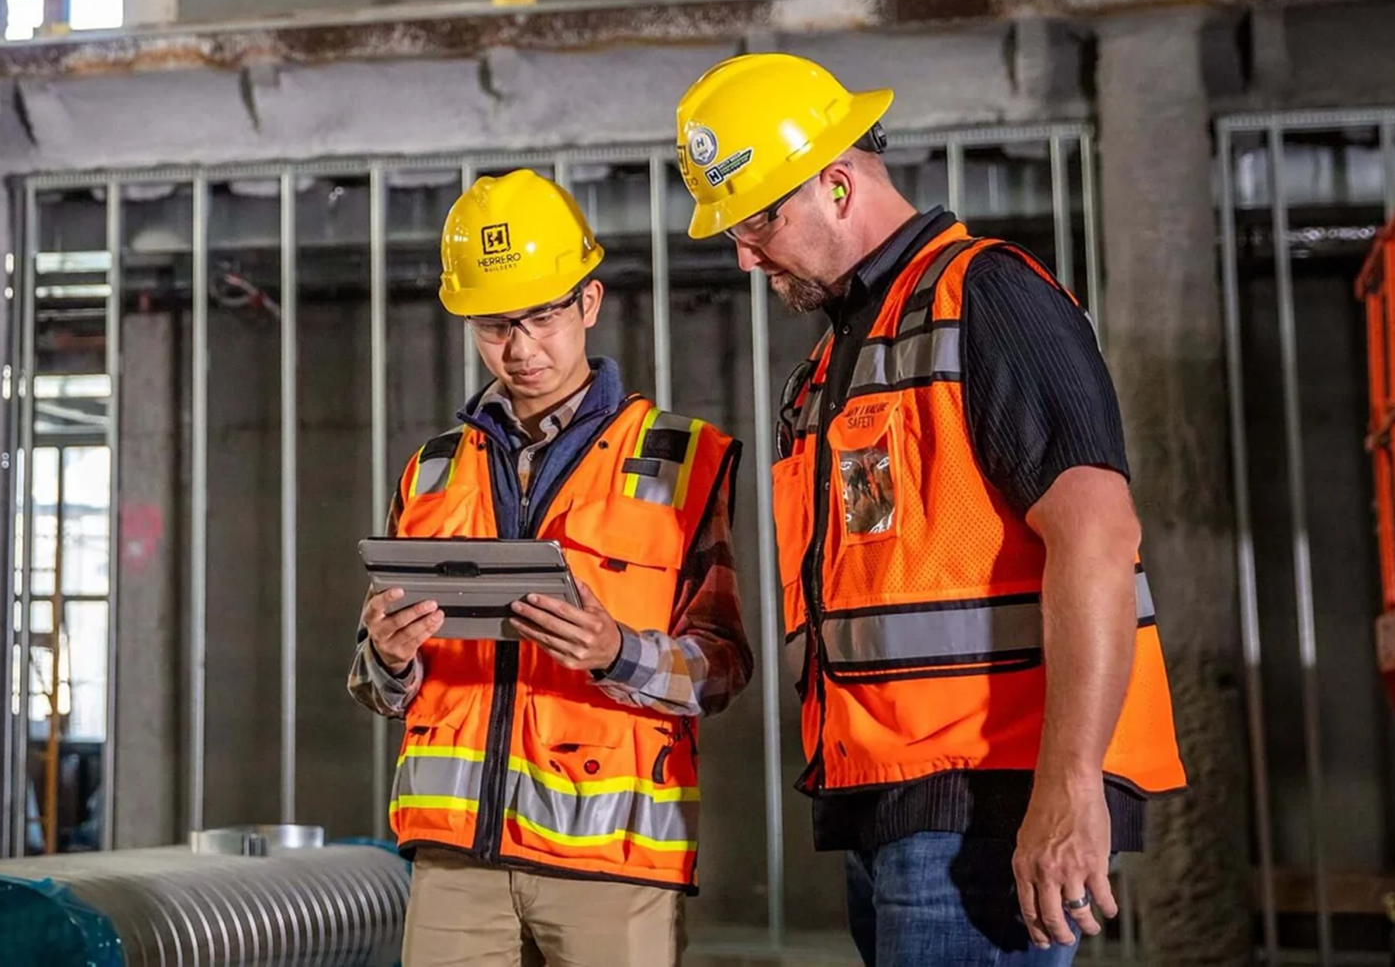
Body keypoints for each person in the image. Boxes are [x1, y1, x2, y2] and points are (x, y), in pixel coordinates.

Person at [673, 53, 1186, 967]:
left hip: (988, 810)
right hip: (892, 807)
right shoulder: (836, 363)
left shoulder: (983, 296)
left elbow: (1097, 535)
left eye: (757, 220)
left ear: (836, 184)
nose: (742, 254)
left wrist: (1070, 788)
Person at [348, 169, 752, 967]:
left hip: (612, 865)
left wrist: (616, 651)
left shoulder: (679, 461)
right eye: (495, 324)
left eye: (542, 315)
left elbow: (723, 666)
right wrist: (385, 657)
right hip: (454, 859)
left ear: (588, 304)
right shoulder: (431, 470)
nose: (521, 346)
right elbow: (376, 685)